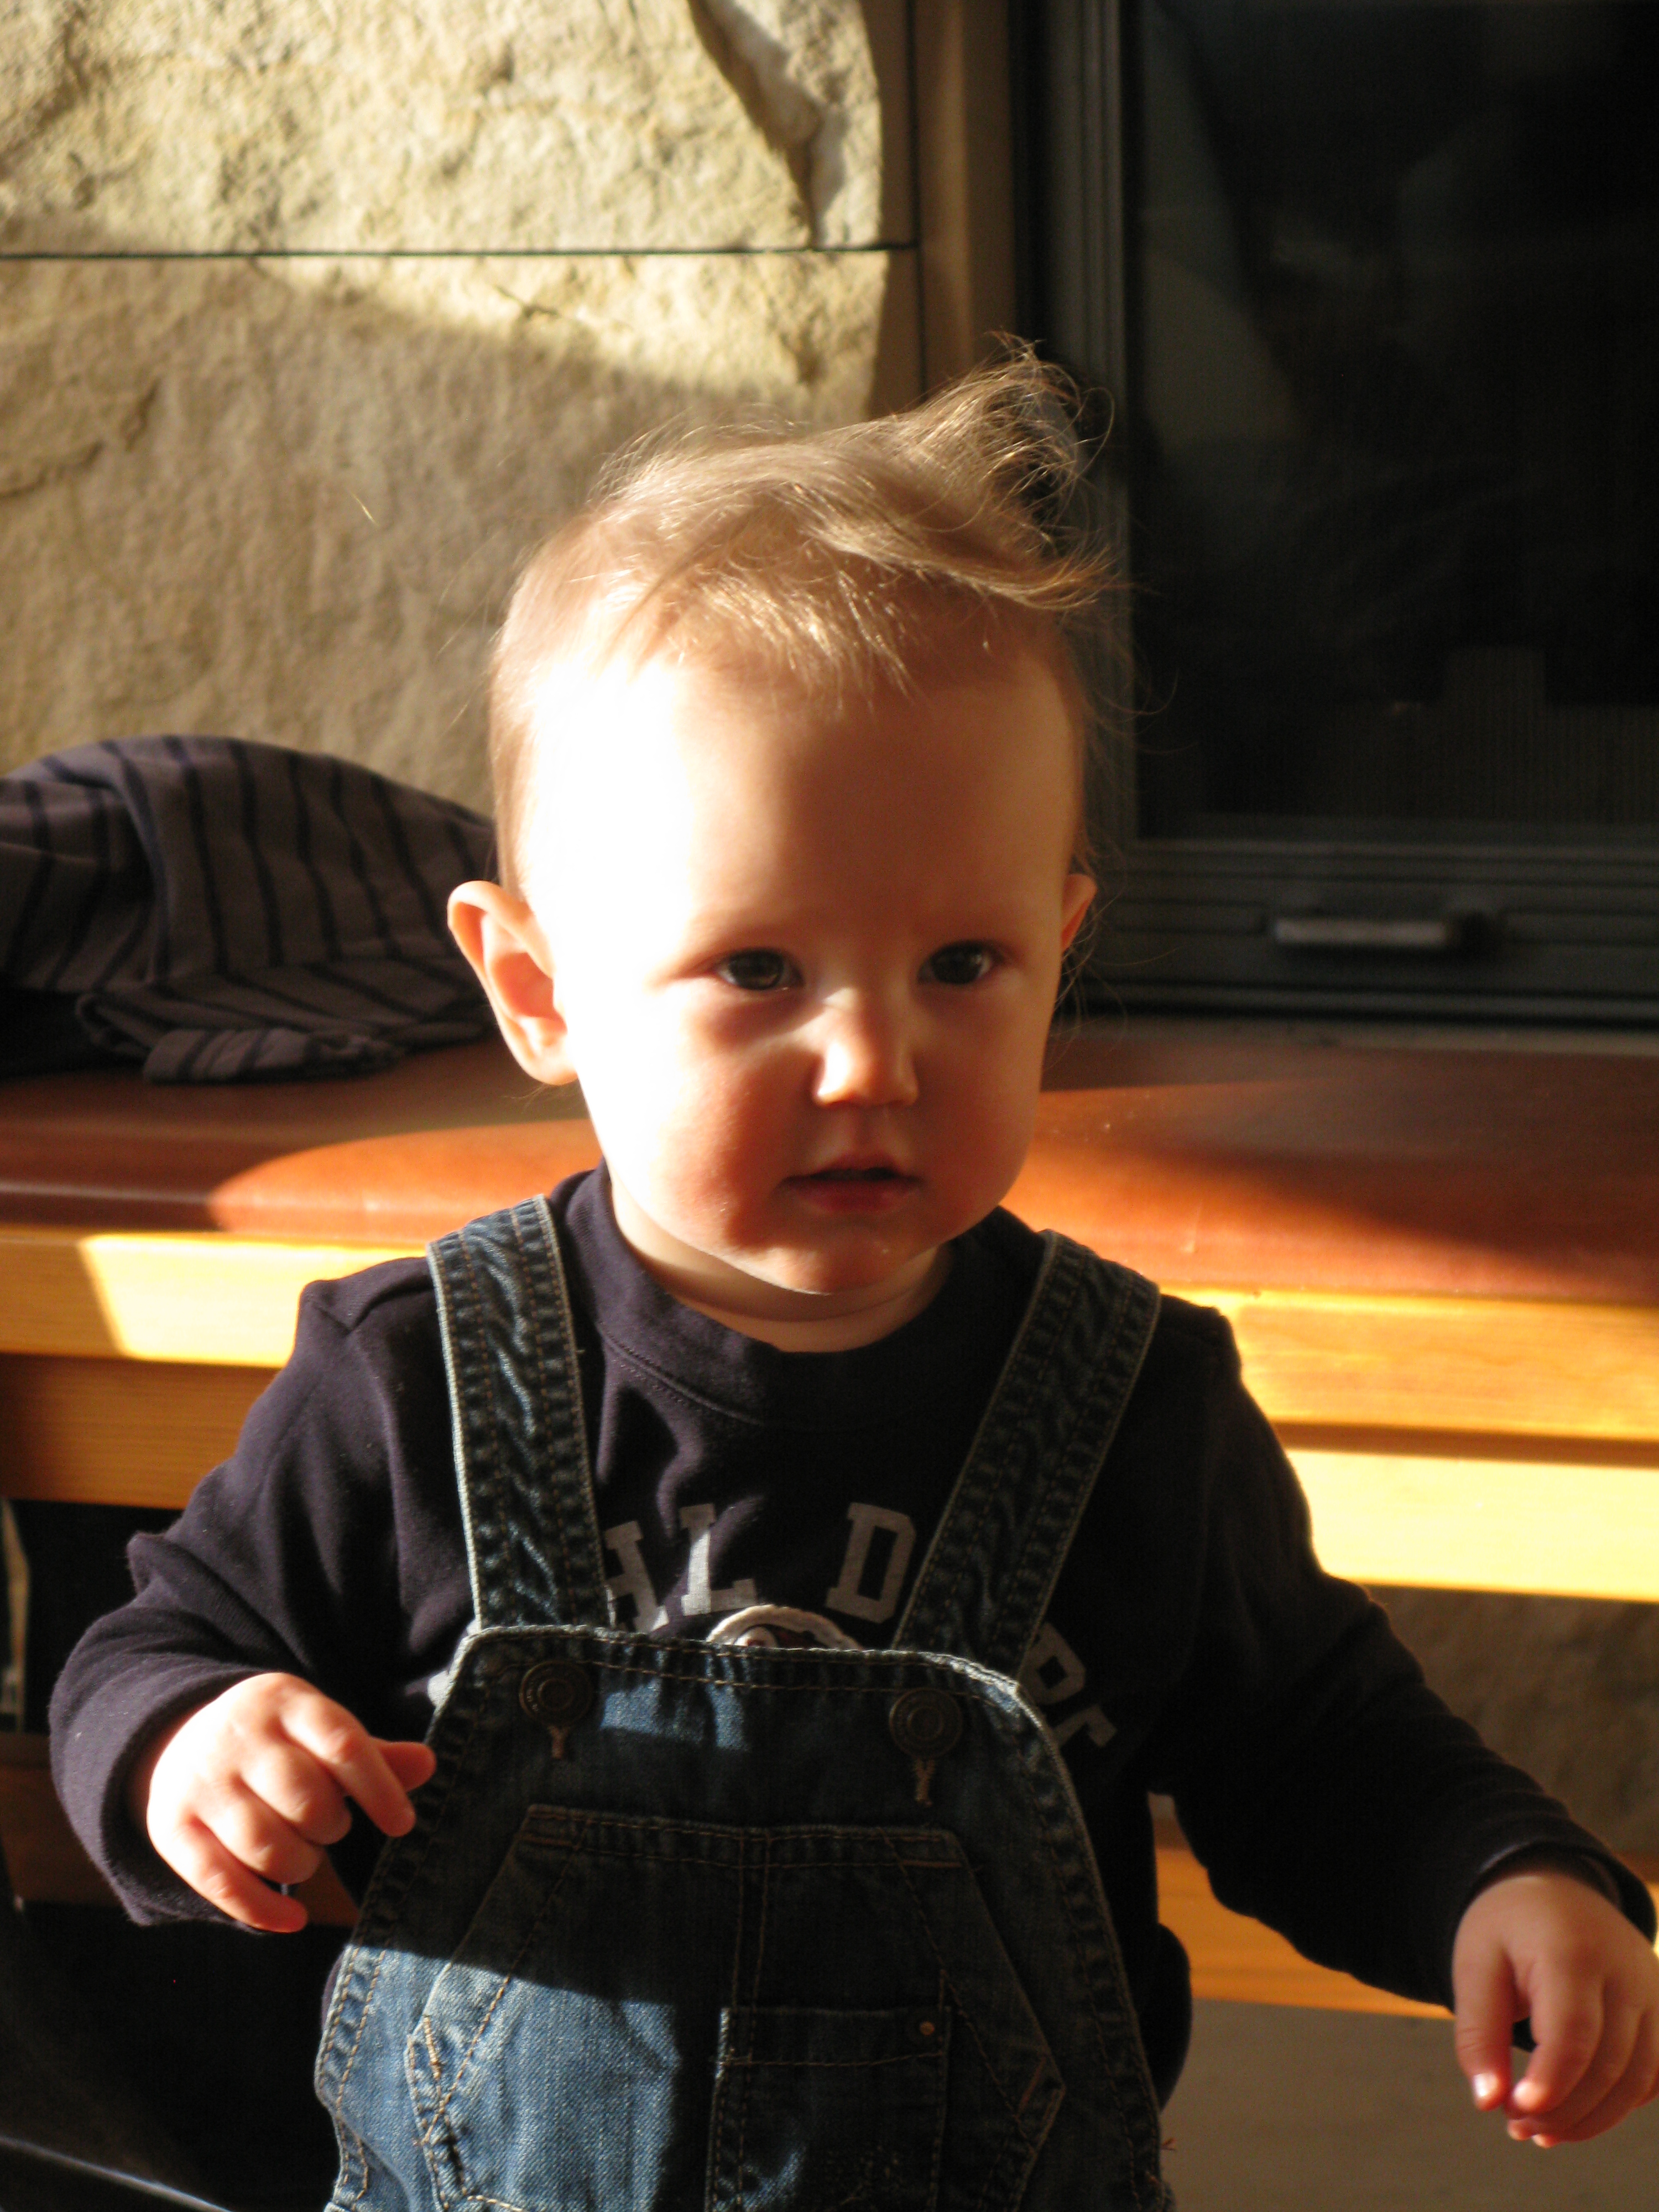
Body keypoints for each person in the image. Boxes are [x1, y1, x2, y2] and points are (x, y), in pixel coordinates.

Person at [52, 356, 1659, 2207]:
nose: (873, 1061)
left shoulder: (1128, 1406)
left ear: (1062, 946)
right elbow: (149, 1650)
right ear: (538, 992)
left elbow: (1323, 1749)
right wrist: (187, 1747)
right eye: (759, 971)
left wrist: (1500, 1883)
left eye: (963, 964)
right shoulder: (412, 1382)